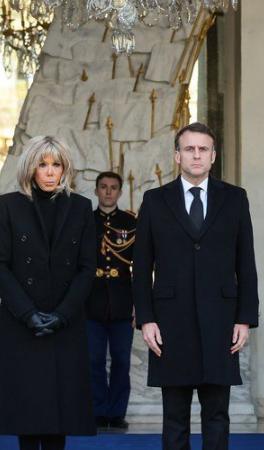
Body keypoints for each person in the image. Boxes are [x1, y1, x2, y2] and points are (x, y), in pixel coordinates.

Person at [132, 122, 259, 450]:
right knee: (174, 417)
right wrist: (145, 319)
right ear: (177, 155)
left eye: (203, 149)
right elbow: (142, 266)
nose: (197, 155)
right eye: (189, 149)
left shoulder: (235, 199)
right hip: (170, 325)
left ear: (213, 156)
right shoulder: (155, 201)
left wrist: (245, 318)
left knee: (218, 415)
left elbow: (246, 264)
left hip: (220, 322)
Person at [0, 136, 97, 450]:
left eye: (56, 164)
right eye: (43, 164)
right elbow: (0, 265)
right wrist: (28, 314)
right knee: (27, 414)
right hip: (21, 325)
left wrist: (62, 315)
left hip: (64, 325)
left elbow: (86, 267)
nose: (50, 171)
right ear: (31, 168)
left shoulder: (81, 207)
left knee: (60, 415)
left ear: (65, 168)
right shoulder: (8, 206)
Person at [86, 171, 137, 430]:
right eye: (103, 187)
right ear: (96, 191)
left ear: (119, 192)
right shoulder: (85, 221)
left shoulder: (130, 222)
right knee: (93, 360)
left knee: (120, 360)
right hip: (90, 304)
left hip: (121, 304)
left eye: (113, 187)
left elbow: (139, 268)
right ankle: (97, 410)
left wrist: (140, 305)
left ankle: (116, 412)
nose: (108, 192)